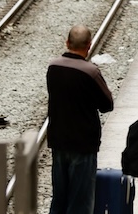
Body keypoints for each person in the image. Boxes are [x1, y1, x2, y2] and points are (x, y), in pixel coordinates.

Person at [46, 25, 114, 214]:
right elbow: (107, 104)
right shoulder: (90, 72)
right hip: (83, 144)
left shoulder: (53, 66)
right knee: (80, 201)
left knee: (59, 198)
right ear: (89, 45)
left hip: (58, 140)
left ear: (67, 43)